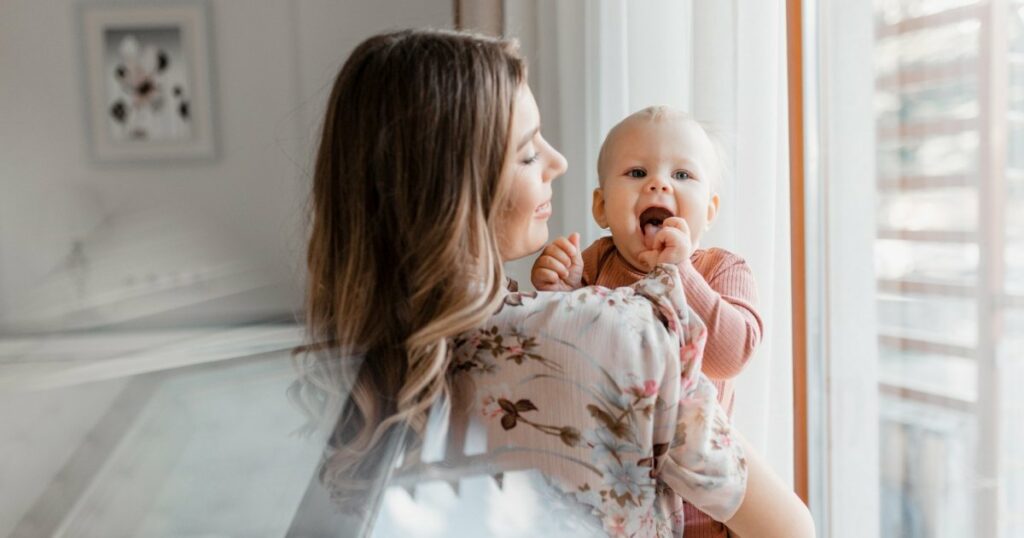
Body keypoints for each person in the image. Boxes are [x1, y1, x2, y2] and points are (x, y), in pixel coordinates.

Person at [295, 28, 814, 537]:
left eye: (684, 175)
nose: (559, 162)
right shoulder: (626, 338)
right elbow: (791, 530)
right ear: (453, 196)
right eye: (527, 153)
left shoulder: (358, 368)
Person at [530, 106, 763, 536]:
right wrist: (560, 292)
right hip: (611, 486)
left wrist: (680, 274)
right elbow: (568, 357)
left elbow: (731, 357)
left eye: (682, 175)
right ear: (601, 207)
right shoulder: (595, 264)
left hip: (700, 496)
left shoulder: (720, 269)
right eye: (637, 173)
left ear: (709, 212)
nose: (658, 183)